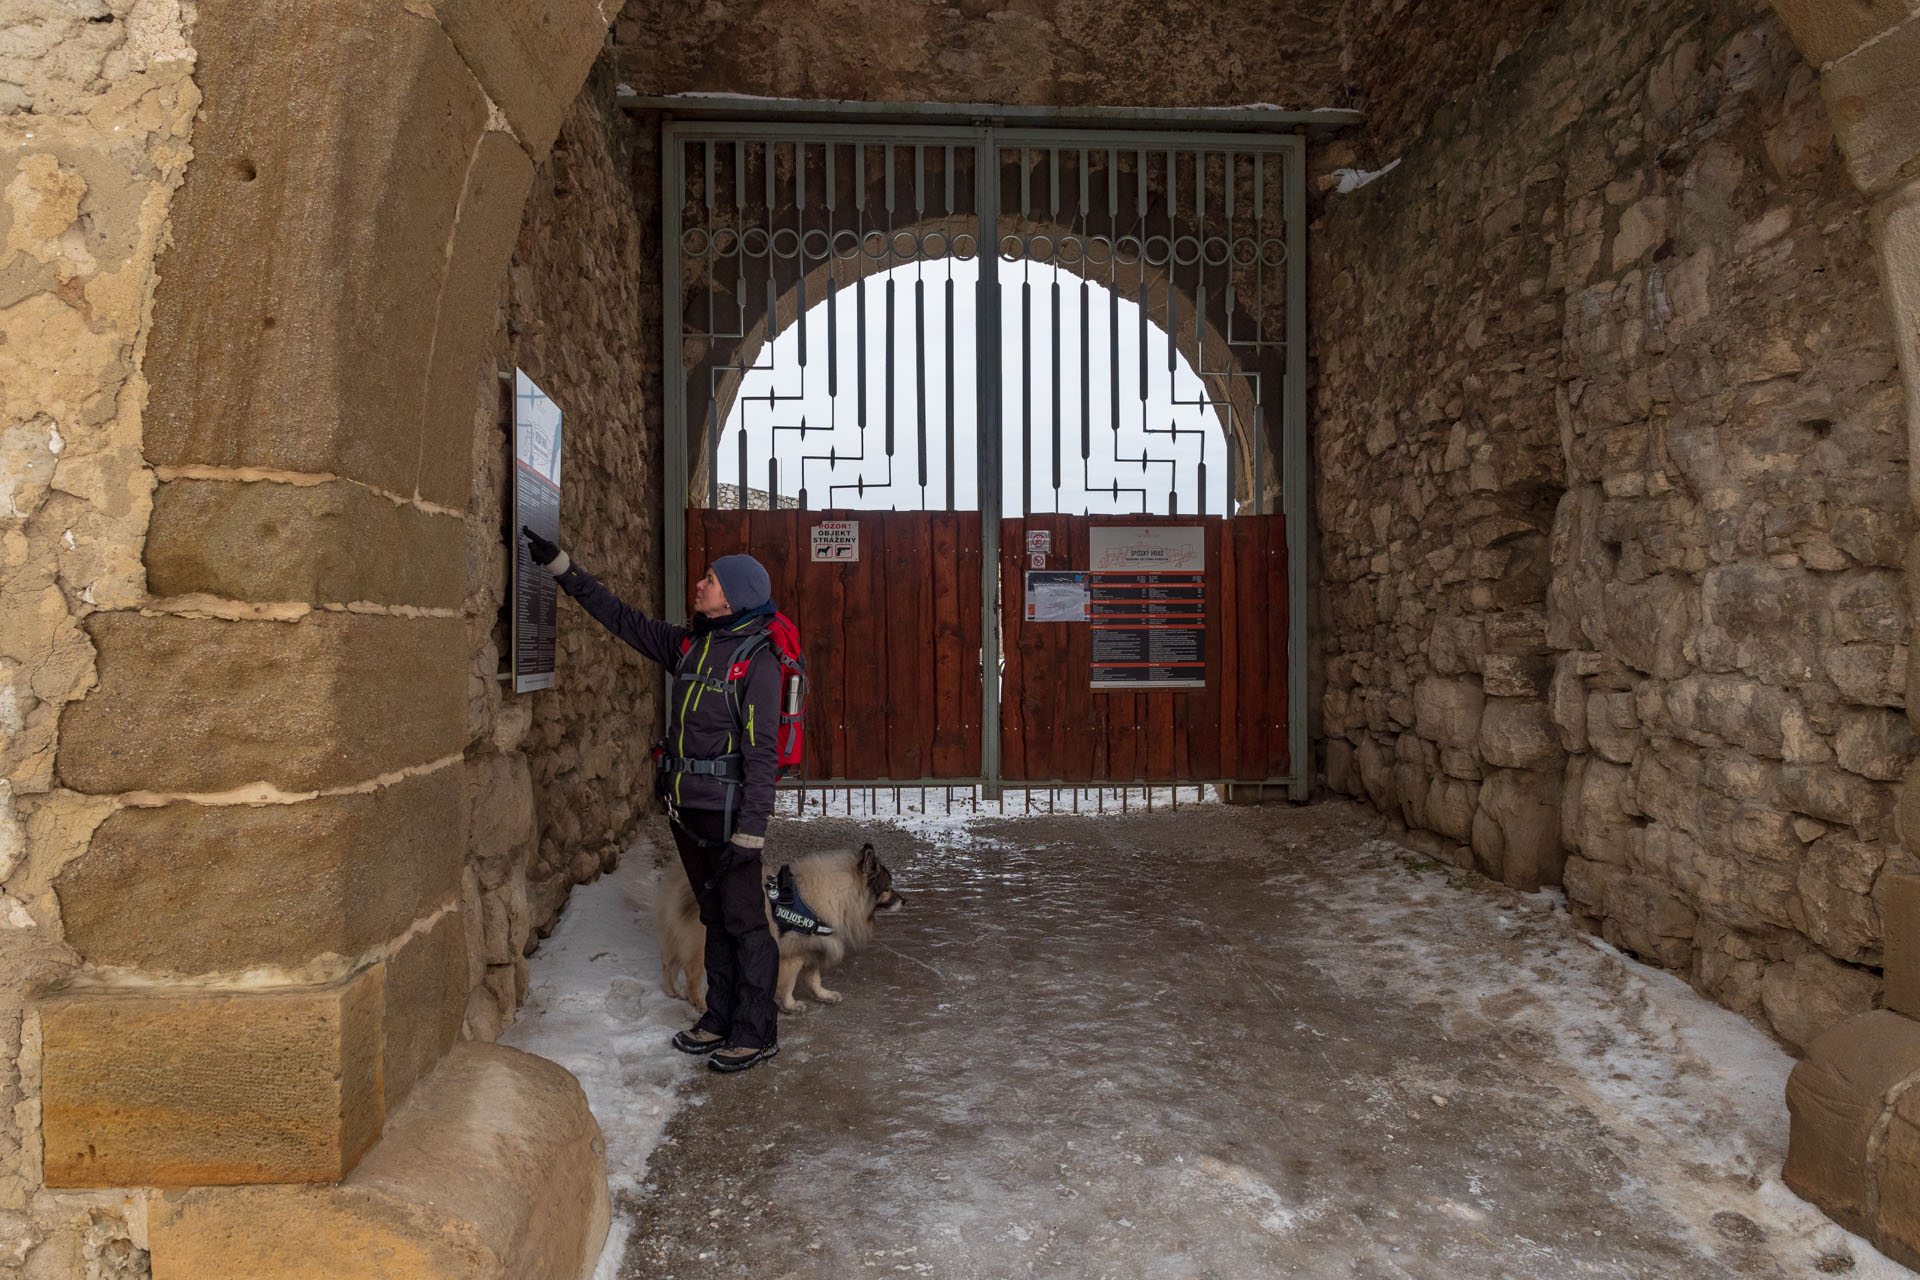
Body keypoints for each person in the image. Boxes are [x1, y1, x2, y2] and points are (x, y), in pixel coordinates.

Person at [521, 526, 782, 1074]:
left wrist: (752, 831)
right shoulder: (689, 645)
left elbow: (762, 753)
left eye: (710, 580)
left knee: (744, 922)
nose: (700, 584)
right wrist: (562, 568)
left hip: (731, 814)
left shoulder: (758, 661)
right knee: (713, 916)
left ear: (732, 597)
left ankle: (755, 1031)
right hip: (688, 812)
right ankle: (720, 1016)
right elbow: (619, 617)